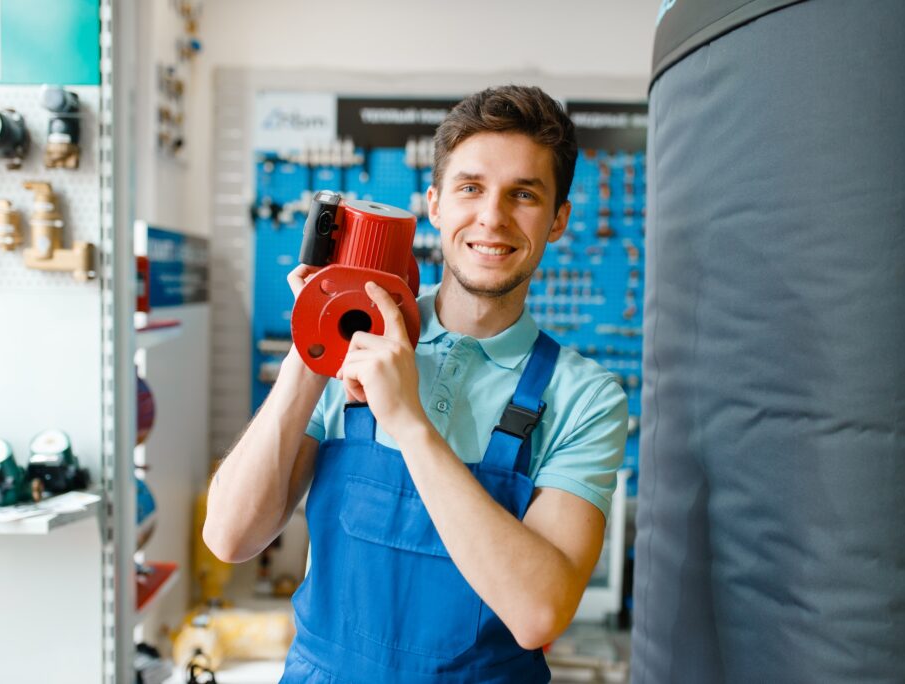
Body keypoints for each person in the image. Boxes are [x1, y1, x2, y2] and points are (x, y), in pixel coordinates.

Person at [204, 85, 628, 682]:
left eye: (524, 194)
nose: (492, 217)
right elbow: (230, 536)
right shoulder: (360, 341)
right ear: (435, 204)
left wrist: (407, 421)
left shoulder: (586, 397)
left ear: (558, 219)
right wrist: (316, 340)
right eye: (471, 188)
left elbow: (538, 612)